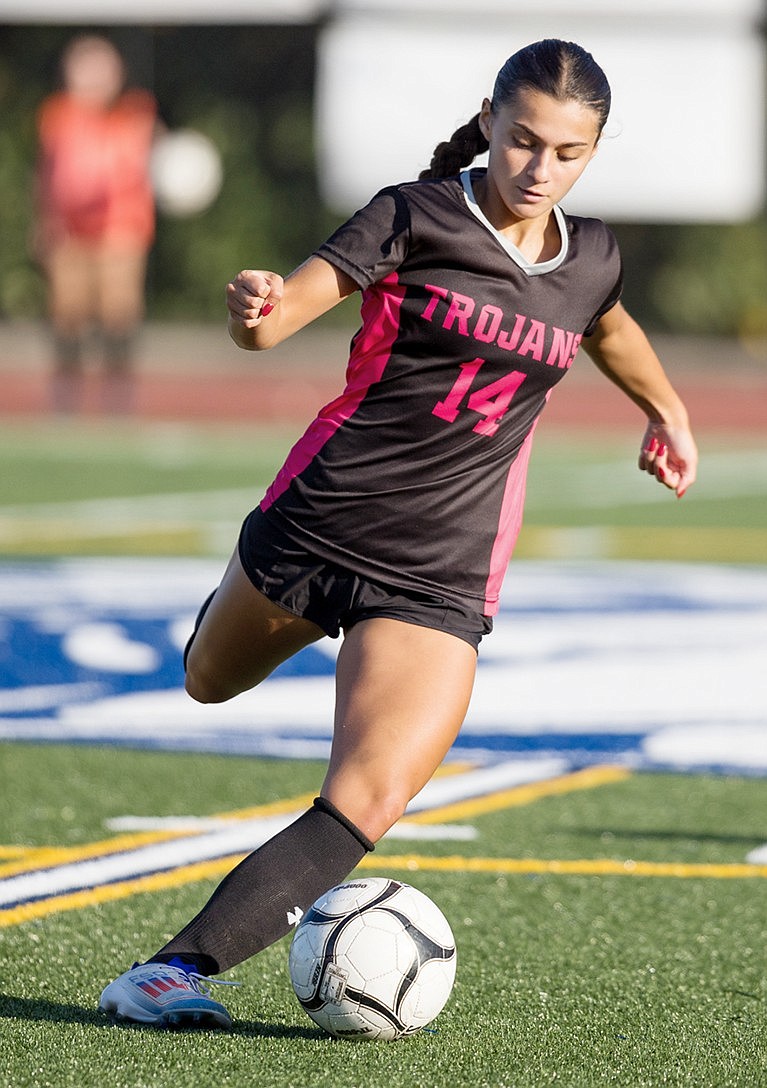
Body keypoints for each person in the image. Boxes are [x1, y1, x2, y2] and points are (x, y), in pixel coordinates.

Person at [99, 39, 697, 1028]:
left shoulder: (590, 254)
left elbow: (607, 324)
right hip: (320, 522)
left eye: (565, 151)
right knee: (206, 679)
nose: (537, 168)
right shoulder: (411, 214)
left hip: (441, 570)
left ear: (591, 151)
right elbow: (282, 314)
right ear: (488, 121)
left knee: (368, 796)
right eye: (519, 141)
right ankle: (233, 604)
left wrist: (665, 411)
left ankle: (166, 971)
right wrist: (254, 314)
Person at [34, 35, 157, 414]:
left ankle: (118, 393)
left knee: (118, 312)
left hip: (120, 228)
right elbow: (47, 172)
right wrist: (44, 219)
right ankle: (66, 394)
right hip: (69, 230)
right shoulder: (57, 115)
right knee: (66, 313)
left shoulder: (134, 114)